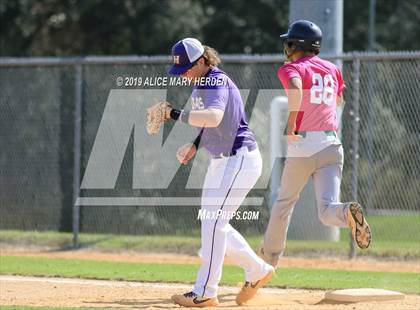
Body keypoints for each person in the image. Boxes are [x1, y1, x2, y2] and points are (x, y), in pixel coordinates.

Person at [165, 38, 274, 307]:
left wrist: (175, 114)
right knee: (213, 224)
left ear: (202, 61)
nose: (185, 75)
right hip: (222, 161)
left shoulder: (215, 81)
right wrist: (194, 144)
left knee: (214, 224)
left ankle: (205, 292)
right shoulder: (202, 83)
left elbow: (213, 116)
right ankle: (258, 270)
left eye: (188, 69)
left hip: (239, 160)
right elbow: (211, 124)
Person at [259, 20, 372, 268]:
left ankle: (268, 260)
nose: (287, 46)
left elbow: (297, 88)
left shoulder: (292, 68)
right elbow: (340, 100)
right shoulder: (332, 68)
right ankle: (347, 213)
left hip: (304, 144)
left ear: (297, 45)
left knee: (284, 203)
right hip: (332, 144)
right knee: (327, 210)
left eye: (290, 42)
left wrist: (292, 122)